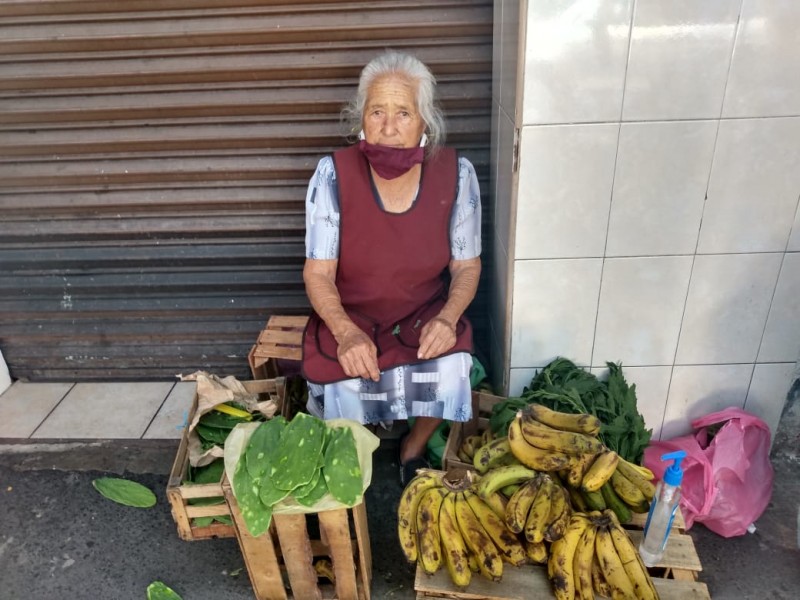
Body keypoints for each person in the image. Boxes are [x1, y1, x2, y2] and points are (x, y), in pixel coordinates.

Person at [301, 50, 482, 485]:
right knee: (340, 376)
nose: (388, 127)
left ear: (425, 122)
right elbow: (318, 273)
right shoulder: (332, 174)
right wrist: (345, 332)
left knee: (453, 366)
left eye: (404, 113)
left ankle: (412, 450)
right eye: (376, 111)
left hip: (422, 315)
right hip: (354, 315)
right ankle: (353, 456)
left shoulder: (457, 173)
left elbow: (467, 266)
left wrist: (447, 317)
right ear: (360, 118)